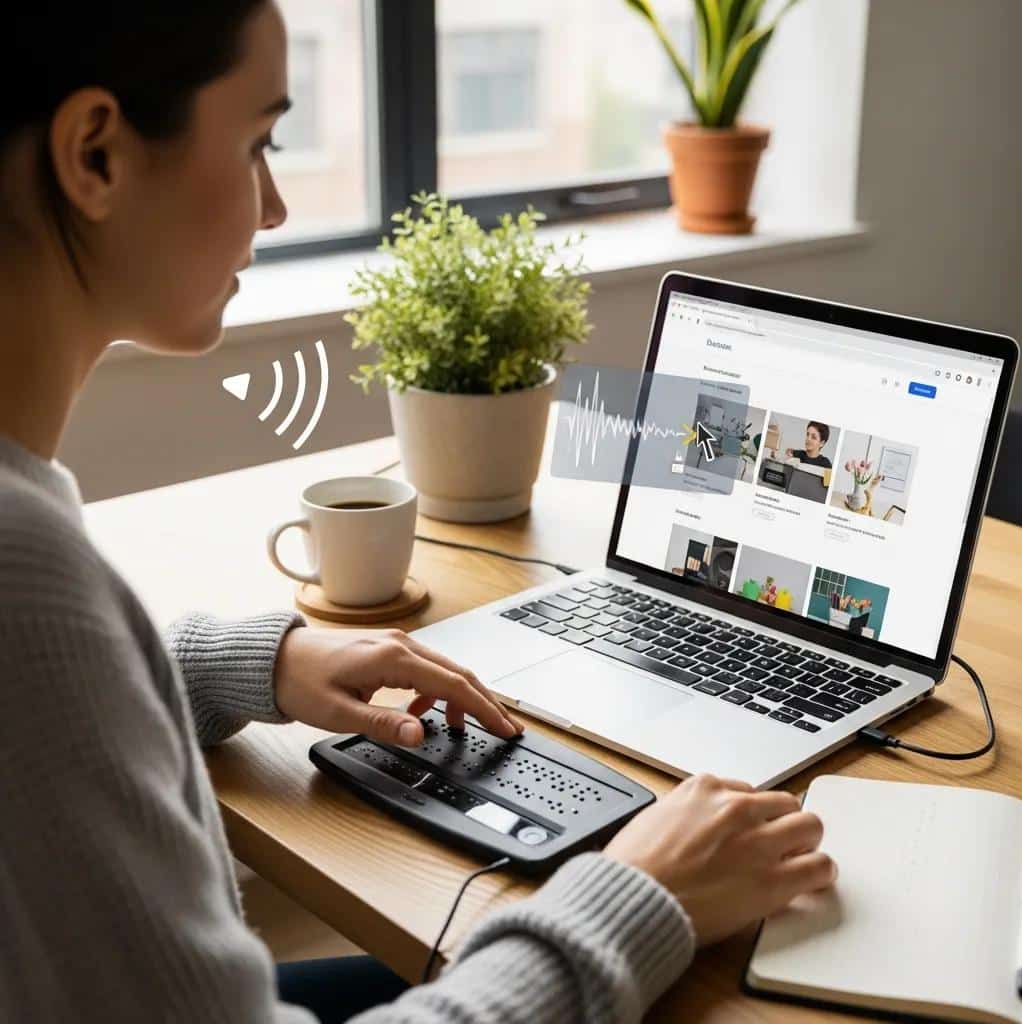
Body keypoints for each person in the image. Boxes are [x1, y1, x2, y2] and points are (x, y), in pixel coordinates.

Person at [0, 4, 837, 1022]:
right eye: (258, 141)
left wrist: (253, 662)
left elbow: (44, 715)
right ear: (93, 154)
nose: (273, 208)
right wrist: (636, 895)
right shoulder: (25, 572)